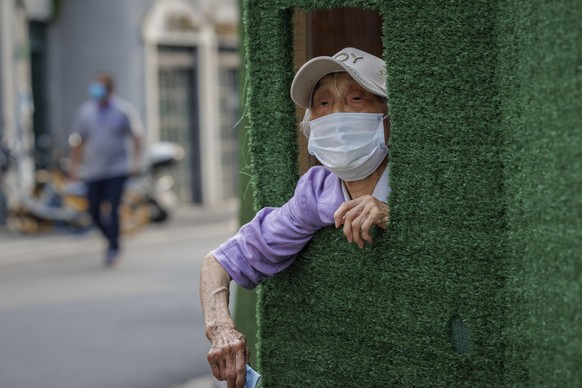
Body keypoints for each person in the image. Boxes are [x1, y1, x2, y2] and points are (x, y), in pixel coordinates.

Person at [199, 47, 391, 387]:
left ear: (388, 115)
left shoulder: (421, 177)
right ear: (310, 127)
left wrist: (391, 212)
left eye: (357, 98)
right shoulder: (317, 191)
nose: (337, 115)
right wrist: (221, 329)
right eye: (323, 104)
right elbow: (220, 261)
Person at [68, 72, 143, 267]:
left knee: (112, 209)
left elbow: (136, 136)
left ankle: (114, 248)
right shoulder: (86, 112)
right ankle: (111, 239)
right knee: (92, 211)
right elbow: (78, 141)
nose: (95, 91)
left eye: (99, 87)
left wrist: (136, 162)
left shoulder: (123, 110)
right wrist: (74, 167)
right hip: (93, 170)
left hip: (116, 169)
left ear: (109, 89)